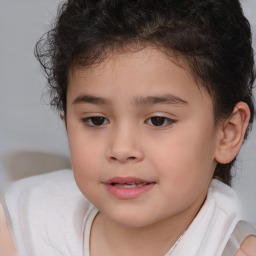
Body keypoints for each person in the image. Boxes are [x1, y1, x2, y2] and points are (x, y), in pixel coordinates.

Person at [0, 0, 256, 255]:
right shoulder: (21, 225)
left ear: (227, 133)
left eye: (158, 120)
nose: (121, 149)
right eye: (96, 120)